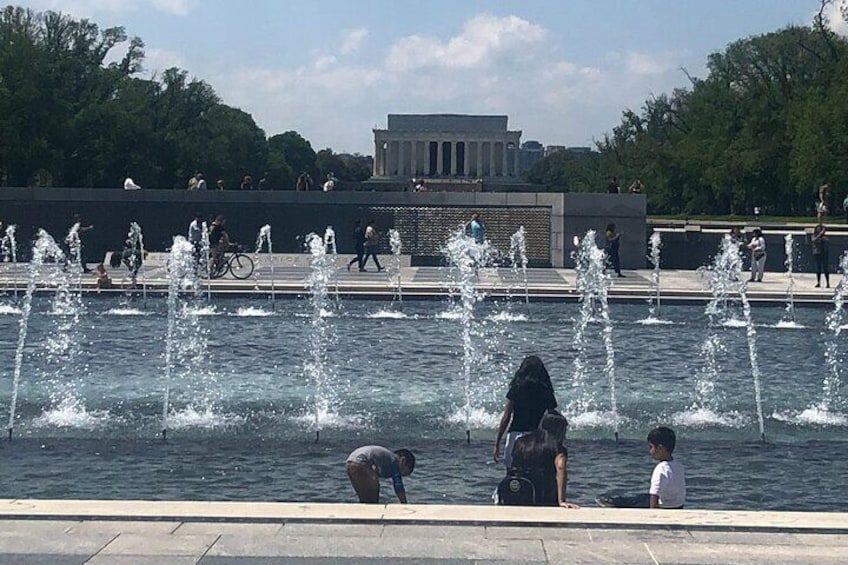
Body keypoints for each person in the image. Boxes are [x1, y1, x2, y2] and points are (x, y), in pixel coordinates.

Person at [503, 409, 579, 508]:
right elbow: (561, 468)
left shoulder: (520, 442)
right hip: (543, 495)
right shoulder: (557, 448)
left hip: (518, 490)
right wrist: (561, 500)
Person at [493, 355, 558, 470]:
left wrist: (497, 443)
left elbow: (506, 417)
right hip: (537, 438)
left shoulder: (517, 388)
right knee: (534, 475)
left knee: (512, 475)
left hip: (515, 435)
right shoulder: (545, 390)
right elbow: (552, 419)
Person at [345, 445, 415, 504]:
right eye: (402, 473)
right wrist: (404, 503)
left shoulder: (385, 459)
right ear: (403, 461)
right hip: (361, 462)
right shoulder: (393, 460)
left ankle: (363, 517)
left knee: (364, 498)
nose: (400, 475)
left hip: (350, 463)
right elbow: (398, 484)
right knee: (374, 496)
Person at [647, 426, 686, 509]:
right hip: (677, 506)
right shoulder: (678, 465)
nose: (650, 451)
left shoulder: (661, 468)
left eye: (651, 447)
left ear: (660, 448)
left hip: (664, 507)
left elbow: (654, 495)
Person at [812, 223, 830, 288]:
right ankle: (818, 282)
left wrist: (823, 237)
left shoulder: (825, 237)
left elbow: (827, 243)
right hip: (817, 253)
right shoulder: (814, 236)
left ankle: (828, 283)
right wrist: (820, 235)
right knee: (818, 268)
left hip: (824, 253)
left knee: (826, 268)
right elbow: (814, 240)